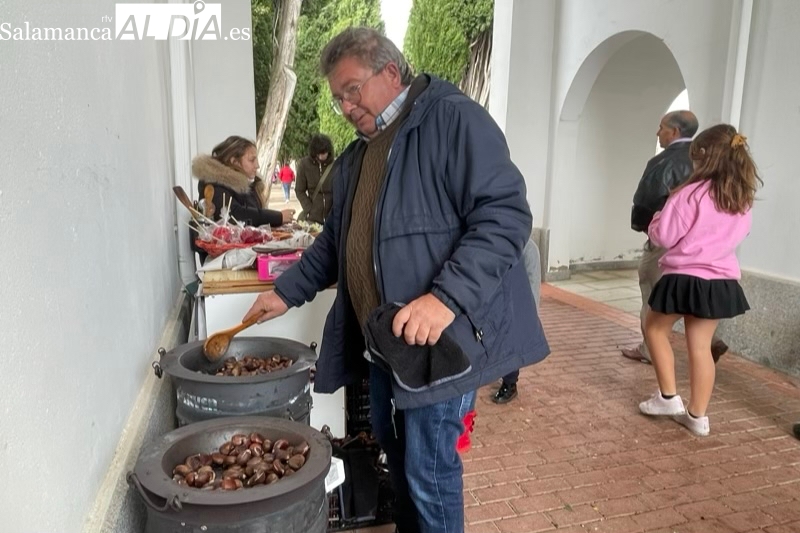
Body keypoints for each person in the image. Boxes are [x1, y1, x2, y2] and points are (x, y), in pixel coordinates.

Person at [242, 27, 549, 533]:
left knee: (429, 471)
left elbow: (506, 217)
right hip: (386, 341)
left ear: (390, 72)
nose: (344, 106)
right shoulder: (360, 154)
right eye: (338, 96)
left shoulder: (451, 119)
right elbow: (336, 245)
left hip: (437, 342)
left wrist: (445, 299)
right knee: (397, 454)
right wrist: (284, 292)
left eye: (352, 89)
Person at [638, 124, 761, 437]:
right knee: (701, 346)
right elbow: (740, 234)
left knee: (654, 328)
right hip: (719, 281)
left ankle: (668, 397)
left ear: (704, 158)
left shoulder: (689, 194)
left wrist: (656, 218)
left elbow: (664, 234)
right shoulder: (741, 198)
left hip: (684, 275)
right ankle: (698, 417)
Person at [621, 110, 728, 364]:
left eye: (661, 127)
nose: (658, 132)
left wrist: (650, 230)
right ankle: (711, 341)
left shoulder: (662, 161)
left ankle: (649, 349)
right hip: (701, 244)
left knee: (652, 293)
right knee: (693, 294)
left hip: (666, 239)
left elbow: (646, 200)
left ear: (675, 132)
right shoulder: (706, 161)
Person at [192, 136, 293, 226]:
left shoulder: (248, 185)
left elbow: (254, 216)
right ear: (235, 162)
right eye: (252, 160)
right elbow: (236, 215)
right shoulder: (215, 185)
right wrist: (277, 217)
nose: (257, 165)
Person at [492, 238, 542, 404]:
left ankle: (510, 384)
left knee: (511, 344)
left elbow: (533, 283)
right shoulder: (498, 242)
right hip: (498, 302)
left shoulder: (528, 249)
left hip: (517, 306)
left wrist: (529, 314)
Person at [295, 134, 336, 224]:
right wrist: (309, 208)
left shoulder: (336, 165)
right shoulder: (304, 165)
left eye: (324, 153)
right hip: (312, 218)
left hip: (333, 218)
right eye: (319, 153)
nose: (322, 156)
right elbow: (299, 190)